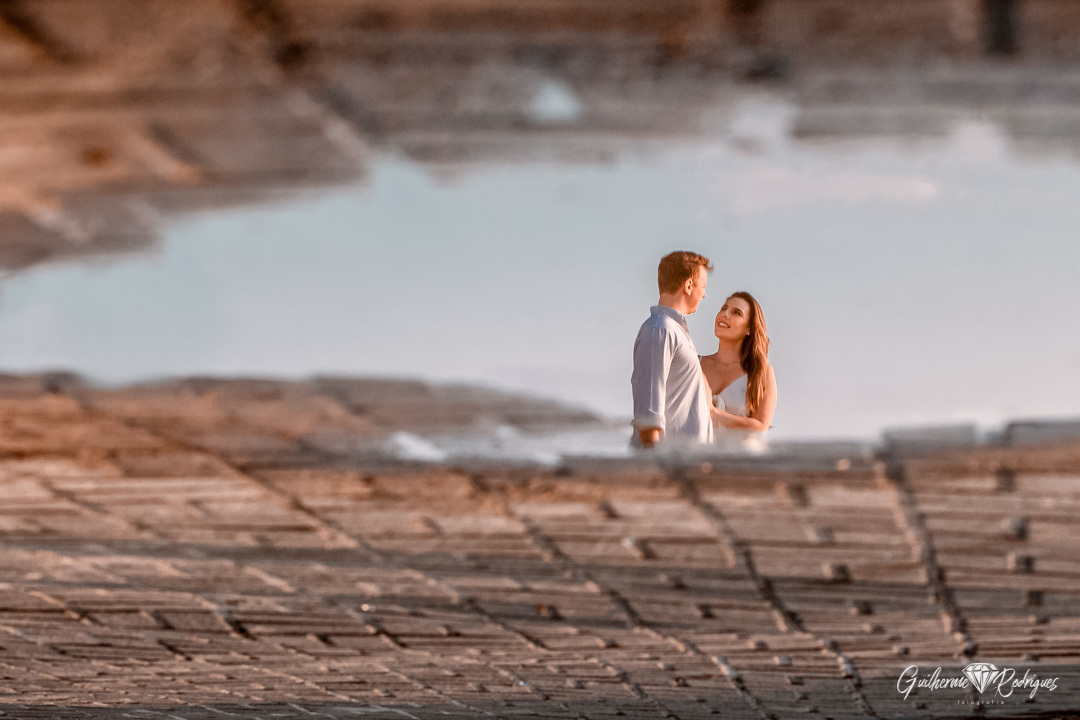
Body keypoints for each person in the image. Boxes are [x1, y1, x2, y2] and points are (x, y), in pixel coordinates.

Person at [631, 251, 714, 449]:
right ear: (688, 285)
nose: (704, 294)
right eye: (703, 286)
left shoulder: (674, 331)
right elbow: (649, 415)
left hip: (688, 464)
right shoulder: (660, 330)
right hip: (668, 467)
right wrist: (660, 474)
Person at [699, 292, 776, 449]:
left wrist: (715, 414)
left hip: (741, 465)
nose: (724, 314)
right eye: (723, 308)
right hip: (699, 460)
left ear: (748, 327)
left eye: (736, 312)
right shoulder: (695, 364)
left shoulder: (761, 372)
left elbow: (761, 426)